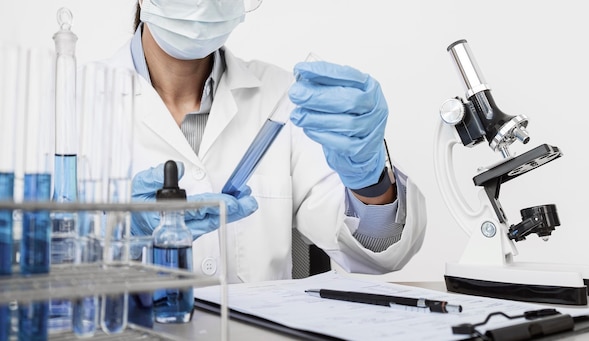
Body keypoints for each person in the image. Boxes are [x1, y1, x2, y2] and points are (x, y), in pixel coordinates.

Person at [104, 0, 427, 284]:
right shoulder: (67, 102)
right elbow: (56, 264)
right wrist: (118, 231)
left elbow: (377, 251)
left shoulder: (284, 96)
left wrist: (369, 182)